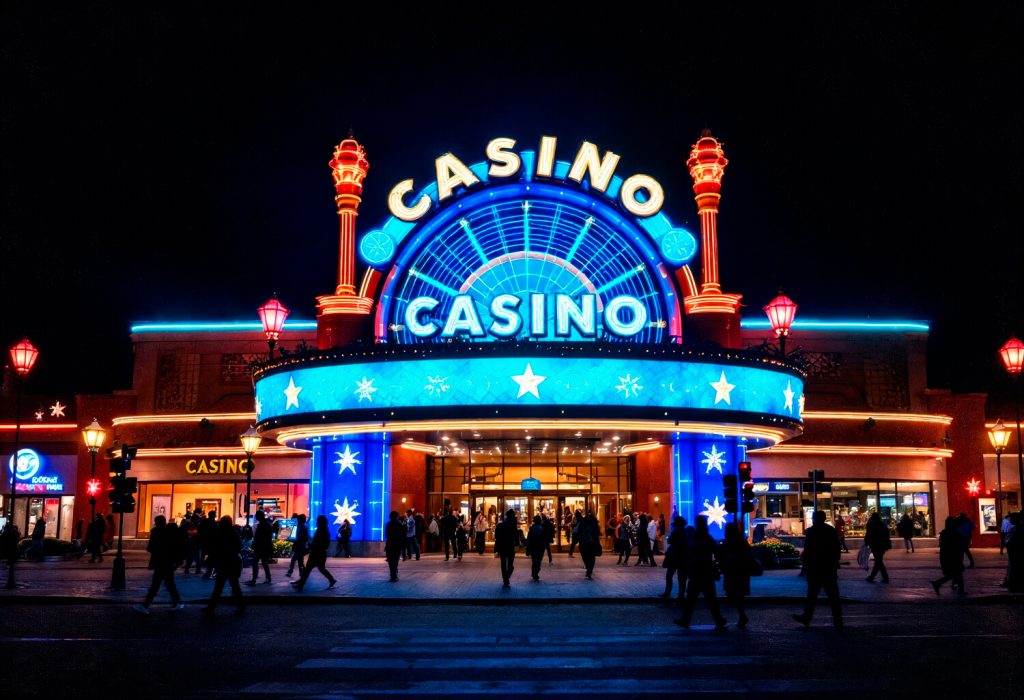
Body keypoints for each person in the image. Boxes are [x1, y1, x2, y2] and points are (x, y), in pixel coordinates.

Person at [792, 510, 843, 628]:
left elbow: (808, 550)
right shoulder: (831, 531)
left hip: (815, 567)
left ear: (815, 519)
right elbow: (836, 549)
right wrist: (835, 562)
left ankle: (807, 617)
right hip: (828, 567)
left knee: (812, 594)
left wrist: (805, 566)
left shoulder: (812, 531)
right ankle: (838, 619)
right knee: (833, 595)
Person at [675, 516, 727, 629]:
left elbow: (691, 552)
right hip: (706, 572)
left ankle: (686, 619)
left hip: (698, 572)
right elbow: (716, 551)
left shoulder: (697, 538)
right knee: (710, 598)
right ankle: (718, 620)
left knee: (692, 598)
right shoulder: (707, 537)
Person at [133, 515, 184, 614]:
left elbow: (150, 548)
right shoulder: (170, 531)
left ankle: (146, 605)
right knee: (169, 583)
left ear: (157, 522)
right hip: (169, 561)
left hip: (160, 561)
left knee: (156, 584)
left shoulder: (156, 531)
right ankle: (177, 602)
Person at [204, 516, 245, 615]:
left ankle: (212, 607)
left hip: (224, 563)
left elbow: (216, 547)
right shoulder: (233, 533)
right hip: (231, 563)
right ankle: (240, 605)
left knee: (220, 586)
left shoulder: (220, 533)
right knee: (233, 585)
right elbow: (238, 546)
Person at [719, 522, 753, 628]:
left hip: (733, 572)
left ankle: (742, 616)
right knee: (737, 595)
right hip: (740, 572)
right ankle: (742, 615)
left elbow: (722, 554)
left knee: (734, 594)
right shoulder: (741, 541)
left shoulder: (729, 542)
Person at [292, 515, 337, 592]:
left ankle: (300, 585)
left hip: (316, 553)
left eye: (318, 521)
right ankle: (331, 580)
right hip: (320, 553)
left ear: (321, 522)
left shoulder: (321, 530)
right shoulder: (324, 530)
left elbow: (319, 542)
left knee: (308, 569)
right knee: (320, 569)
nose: (317, 522)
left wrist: (311, 545)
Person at [932, 516, 966, 596]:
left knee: (954, 574)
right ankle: (960, 590)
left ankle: (938, 583)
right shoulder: (951, 533)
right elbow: (953, 544)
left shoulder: (946, 532)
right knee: (956, 573)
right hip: (952, 556)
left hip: (948, 556)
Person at [660, 516, 688, 601]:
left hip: (674, 556)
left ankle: (668, 592)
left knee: (669, 575)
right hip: (682, 556)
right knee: (681, 577)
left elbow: (670, 541)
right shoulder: (685, 532)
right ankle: (681, 595)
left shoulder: (675, 532)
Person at [246, 509, 273, 585]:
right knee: (264, 562)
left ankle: (254, 579)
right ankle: (267, 578)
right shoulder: (267, 524)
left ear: (259, 516)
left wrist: (254, 544)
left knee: (256, 562)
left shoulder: (262, 525)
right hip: (264, 546)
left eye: (257, 516)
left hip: (260, 547)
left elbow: (259, 537)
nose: (256, 517)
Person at [864, 512, 891, 583]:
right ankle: (874, 577)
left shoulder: (871, 524)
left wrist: (866, 542)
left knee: (878, 561)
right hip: (882, 545)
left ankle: (882, 577)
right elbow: (887, 535)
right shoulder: (882, 524)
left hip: (875, 545)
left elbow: (868, 534)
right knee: (878, 561)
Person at [494, 508, 518, 587]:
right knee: (510, 563)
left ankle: (505, 578)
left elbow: (496, 536)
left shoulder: (500, 524)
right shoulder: (513, 525)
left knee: (503, 563)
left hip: (502, 546)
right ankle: (507, 576)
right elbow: (515, 536)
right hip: (510, 546)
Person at [576, 510, 600, 579]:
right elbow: (597, 533)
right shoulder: (594, 523)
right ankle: (590, 570)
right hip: (592, 543)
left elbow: (578, 532)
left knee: (585, 556)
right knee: (592, 557)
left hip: (584, 543)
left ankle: (588, 569)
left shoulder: (583, 523)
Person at [385, 511, 406, 582]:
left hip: (390, 545)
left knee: (391, 561)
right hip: (397, 544)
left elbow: (387, 535)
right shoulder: (399, 524)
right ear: (397, 516)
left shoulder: (388, 524)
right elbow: (402, 535)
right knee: (395, 560)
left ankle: (393, 575)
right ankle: (394, 575)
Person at [286, 513, 309, 578]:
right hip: (299, 546)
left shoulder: (302, 527)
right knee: (299, 561)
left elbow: (303, 538)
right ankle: (302, 574)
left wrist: (295, 540)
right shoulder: (301, 527)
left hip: (300, 547)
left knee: (297, 560)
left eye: (298, 519)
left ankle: (299, 573)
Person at [1004, 512, 1022, 592]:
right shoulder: (1015, 528)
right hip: (1015, 552)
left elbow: (1008, 540)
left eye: (1011, 519)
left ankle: (1014, 585)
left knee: (1014, 568)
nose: (1010, 520)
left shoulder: (1015, 529)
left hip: (1015, 552)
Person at [525, 515, 547, 581]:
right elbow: (544, 539)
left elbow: (529, 539)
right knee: (539, 561)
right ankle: (535, 573)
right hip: (540, 547)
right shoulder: (541, 528)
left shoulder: (532, 528)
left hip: (533, 546)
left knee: (534, 560)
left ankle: (534, 572)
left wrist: (527, 548)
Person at [198, 510, 218, 577]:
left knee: (202, 555)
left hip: (204, 541)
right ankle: (209, 571)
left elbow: (199, 530)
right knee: (211, 556)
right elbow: (215, 532)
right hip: (211, 542)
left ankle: (199, 568)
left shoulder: (204, 521)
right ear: (214, 515)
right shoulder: (213, 523)